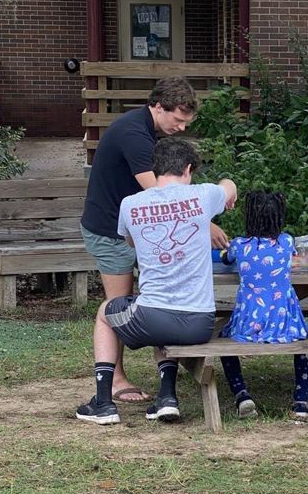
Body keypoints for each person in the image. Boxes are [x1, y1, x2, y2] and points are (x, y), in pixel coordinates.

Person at [80, 76, 228, 404]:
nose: (181, 127)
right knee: (117, 305)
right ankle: (116, 380)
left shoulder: (149, 129)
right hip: (110, 230)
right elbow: (161, 194)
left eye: (186, 122)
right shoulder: (134, 133)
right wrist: (204, 223)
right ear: (158, 107)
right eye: (177, 120)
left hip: (142, 230)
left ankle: (165, 386)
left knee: (158, 299)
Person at [219, 191, 308, 419]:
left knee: (222, 340)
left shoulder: (240, 245)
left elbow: (226, 258)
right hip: (285, 322)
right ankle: (301, 401)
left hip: (250, 321)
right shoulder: (287, 241)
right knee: (303, 344)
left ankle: (242, 393)